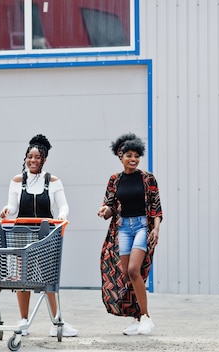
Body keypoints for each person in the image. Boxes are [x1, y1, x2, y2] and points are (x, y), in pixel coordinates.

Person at [0, 134, 78, 337]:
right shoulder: (17, 181)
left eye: (37, 157)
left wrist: (61, 216)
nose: (32, 161)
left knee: (48, 278)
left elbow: (63, 206)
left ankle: (56, 322)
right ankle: (23, 320)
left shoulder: (53, 181)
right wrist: (6, 210)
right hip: (22, 234)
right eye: (29, 157)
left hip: (46, 234)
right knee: (22, 278)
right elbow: (13, 207)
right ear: (25, 158)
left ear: (44, 159)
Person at [97, 133, 163, 336]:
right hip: (123, 228)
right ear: (120, 156)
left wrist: (156, 228)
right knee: (127, 274)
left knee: (135, 269)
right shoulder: (114, 180)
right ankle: (137, 318)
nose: (133, 159)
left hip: (142, 227)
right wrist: (104, 211)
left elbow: (156, 207)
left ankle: (147, 317)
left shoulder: (147, 178)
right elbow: (109, 206)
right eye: (129, 155)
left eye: (136, 155)